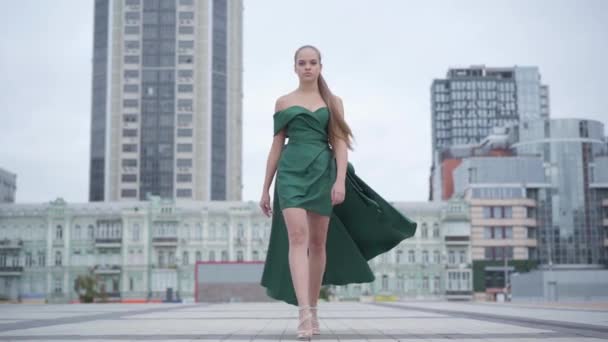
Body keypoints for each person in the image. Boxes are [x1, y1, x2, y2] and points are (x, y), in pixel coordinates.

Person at [259, 45, 417, 340]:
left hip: (323, 171)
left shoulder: (333, 102)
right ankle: (303, 313)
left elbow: (340, 143)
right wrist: (265, 188)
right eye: (302, 63)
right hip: (291, 174)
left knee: (318, 244)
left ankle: (313, 307)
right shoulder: (282, 102)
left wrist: (340, 180)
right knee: (297, 238)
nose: (307, 67)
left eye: (313, 63)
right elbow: (276, 146)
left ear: (320, 66)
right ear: (294, 68)